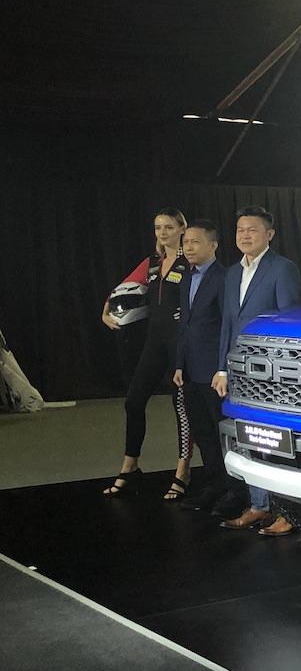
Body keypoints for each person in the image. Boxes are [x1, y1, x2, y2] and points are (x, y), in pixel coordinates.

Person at [213, 206, 301, 536]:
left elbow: (290, 321)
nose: (245, 235)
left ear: (269, 234)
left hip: (271, 372)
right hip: (239, 369)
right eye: (240, 230)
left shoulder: (283, 268)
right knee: (247, 437)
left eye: (252, 229)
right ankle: (259, 505)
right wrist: (222, 368)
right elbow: (228, 323)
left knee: (278, 441)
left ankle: (288, 512)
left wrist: (285, 369)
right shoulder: (231, 273)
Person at [100, 208, 194, 499]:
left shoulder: (190, 261)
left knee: (181, 407)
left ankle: (183, 471)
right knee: (134, 400)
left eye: (168, 227)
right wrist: (105, 311)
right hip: (155, 343)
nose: (162, 232)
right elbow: (121, 290)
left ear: (182, 228)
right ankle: (130, 467)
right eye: (158, 227)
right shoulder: (152, 262)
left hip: (181, 343)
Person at [170, 220, 234, 515]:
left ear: (213, 245)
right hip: (190, 369)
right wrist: (179, 364)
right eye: (186, 242)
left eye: (195, 241)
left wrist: (222, 368)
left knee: (222, 432)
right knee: (203, 432)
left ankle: (234, 491)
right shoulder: (186, 277)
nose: (188, 247)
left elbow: (227, 327)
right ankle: (215, 485)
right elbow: (184, 325)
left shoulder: (225, 277)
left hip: (214, 373)